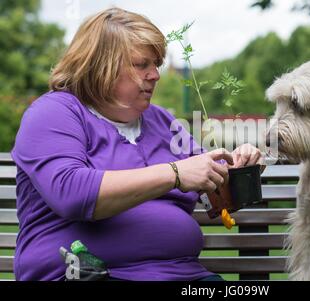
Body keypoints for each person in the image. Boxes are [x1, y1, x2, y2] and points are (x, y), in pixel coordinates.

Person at [11, 7, 262, 281]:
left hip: (183, 276)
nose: (155, 75)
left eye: (156, 64)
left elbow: (211, 188)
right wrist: (174, 174)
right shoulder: (55, 112)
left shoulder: (163, 121)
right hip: (88, 274)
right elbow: (71, 193)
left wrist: (239, 169)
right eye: (142, 64)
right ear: (100, 66)